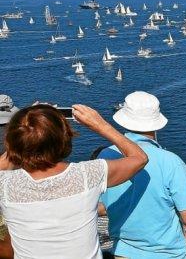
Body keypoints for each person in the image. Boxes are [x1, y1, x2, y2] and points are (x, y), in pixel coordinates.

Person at [0, 104, 148, 258]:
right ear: (65, 138)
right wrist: (100, 125)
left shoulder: (5, 184)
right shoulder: (88, 174)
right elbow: (140, 158)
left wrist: (25, 130)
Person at [97, 91, 186, 258]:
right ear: (156, 123)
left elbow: (101, 207)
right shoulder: (171, 161)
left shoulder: (105, 156)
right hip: (167, 254)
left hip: (123, 252)